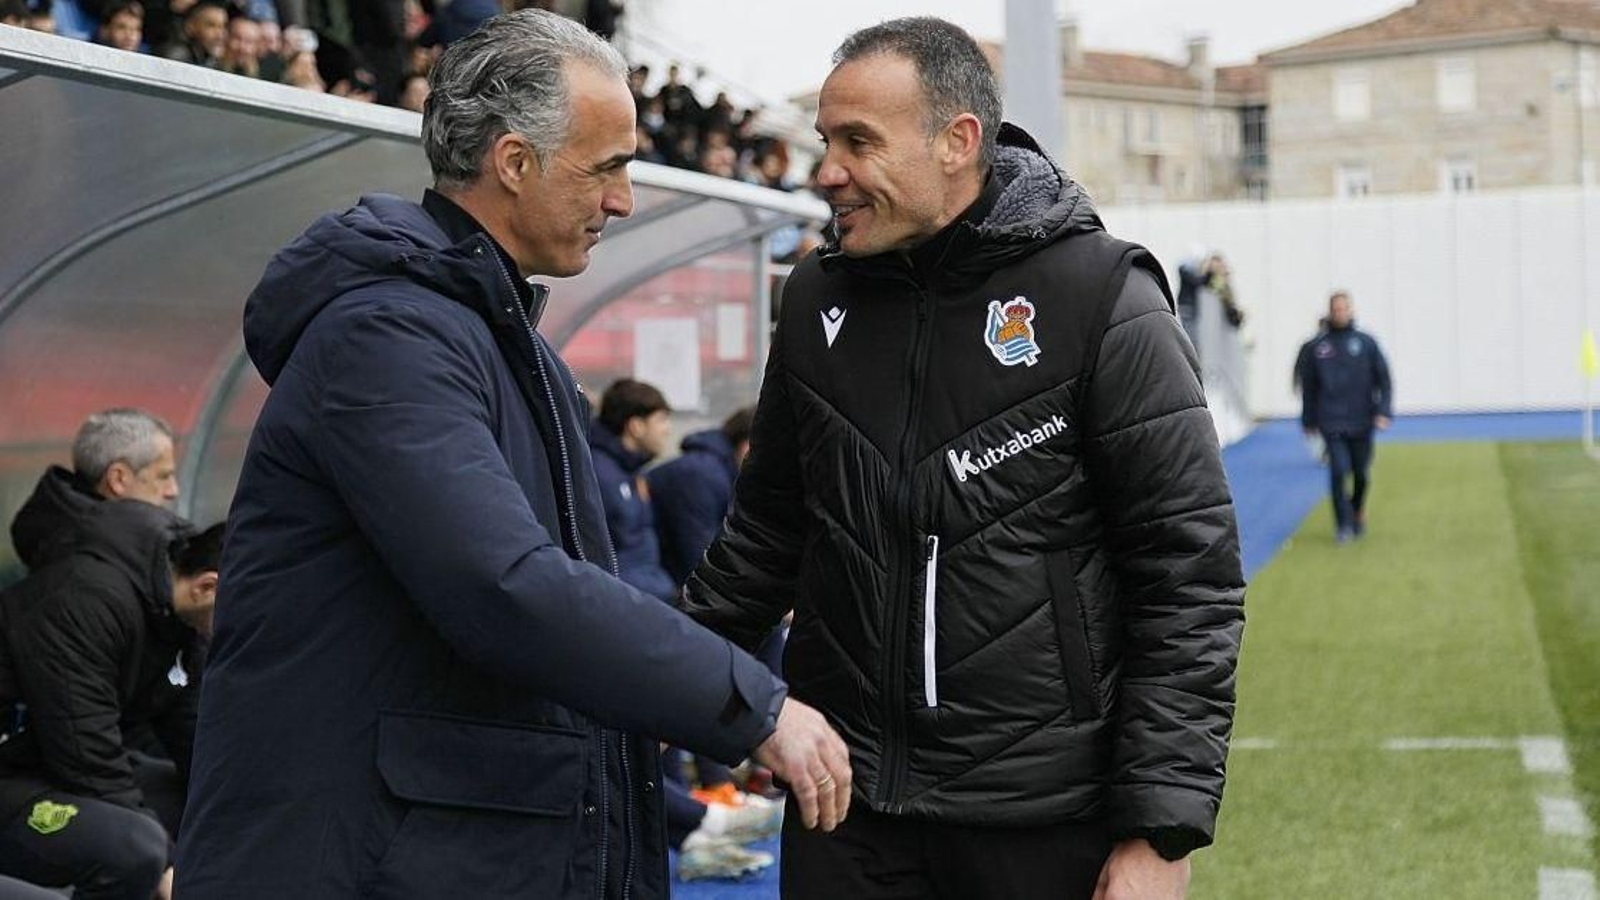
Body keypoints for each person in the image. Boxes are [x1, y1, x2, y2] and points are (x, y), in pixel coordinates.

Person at [173, 11, 849, 899]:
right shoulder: (390, 335)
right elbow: (503, 586)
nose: (623, 201)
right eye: (607, 167)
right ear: (515, 161)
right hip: (367, 860)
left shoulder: (486, 335)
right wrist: (749, 707)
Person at [680, 17, 1245, 900]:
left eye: (858, 142)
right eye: (826, 140)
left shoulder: (1100, 295)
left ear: (958, 141)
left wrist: (1160, 833)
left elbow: (1188, 577)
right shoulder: (816, 300)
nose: (827, 170)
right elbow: (762, 541)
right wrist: (661, 687)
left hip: (1041, 820)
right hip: (845, 812)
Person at [0, 501, 222, 900]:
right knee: (136, 850)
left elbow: (196, 739)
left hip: (46, 766)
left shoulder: (178, 623)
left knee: (196, 801)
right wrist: (169, 865)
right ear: (207, 587)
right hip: (13, 772)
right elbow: (85, 752)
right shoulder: (87, 599)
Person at [10, 408, 180, 572]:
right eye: (163, 476)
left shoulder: (68, 549)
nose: (173, 491)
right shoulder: (93, 572)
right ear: (118, 479)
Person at [1299, 290, 1393, 542]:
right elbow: (1308, 387)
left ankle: (1357, 508)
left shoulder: (1366, 343)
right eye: (1336, 309)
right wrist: (1308, 420)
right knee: (1338, 470)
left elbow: (1384, 380)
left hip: (1362, 419)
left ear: (1351, 310)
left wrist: (1383, 411)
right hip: (1331, 420)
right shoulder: (1318, 348)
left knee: (1361, 474)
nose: (1340, 313)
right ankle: (1343, 525)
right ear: (1330, 312)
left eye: (1344, 309)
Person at [588, 379, 678, 603]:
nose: (667, 430)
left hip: (651, 594)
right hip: (629, 602)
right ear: (636, 426)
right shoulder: (602, 475)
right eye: (661, 420)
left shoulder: (630, 472)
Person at [648, 407, 753, 586]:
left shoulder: (721, 471)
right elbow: (699, 555)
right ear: (747, 444)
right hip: (662, 584)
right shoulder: (700, 474)